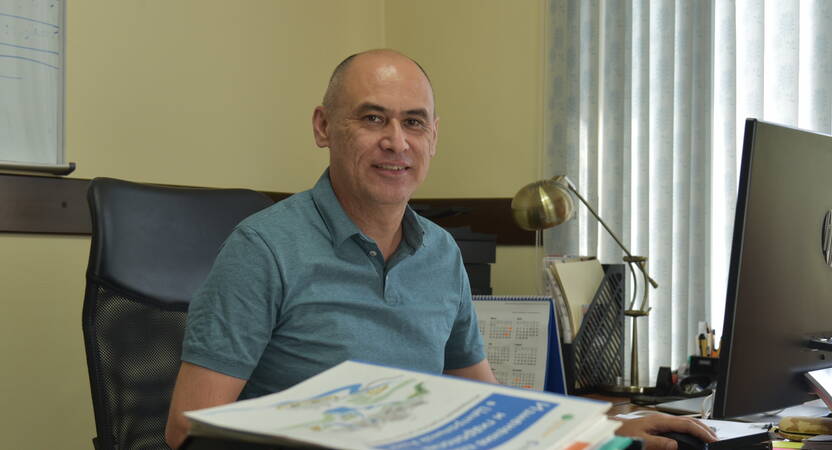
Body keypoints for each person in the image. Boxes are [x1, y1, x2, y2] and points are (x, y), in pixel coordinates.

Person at [164, 49, 716, 450]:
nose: (396, 142)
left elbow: (485, 401)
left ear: (432, 137)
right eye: (373, 118)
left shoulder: (442, 252)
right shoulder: (262, 248)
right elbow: (187, 428)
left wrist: (609, 427)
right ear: (323, 127)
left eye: (414, 122)